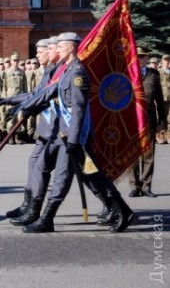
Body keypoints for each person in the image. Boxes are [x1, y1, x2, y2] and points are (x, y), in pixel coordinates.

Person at [10, 32, 137, 233]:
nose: (56, 49)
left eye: (60, 46)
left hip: (73, 137)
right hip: (62, 134)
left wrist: (74, 140)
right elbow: (47, 94)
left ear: (70, 48)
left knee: (68, 176)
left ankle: (47, 219)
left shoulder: (77, 73)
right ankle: (122, 210)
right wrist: (22, 106)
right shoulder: (66, 71)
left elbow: (78, 110)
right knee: (89, 175)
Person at [0, 37, 59, 218]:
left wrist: (20, 107)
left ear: (51, 50)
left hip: (60, 130)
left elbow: (43, 97)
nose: (36, 55)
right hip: (47, 128)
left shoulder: (57, 72)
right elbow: (34, 93)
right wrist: (8, 100)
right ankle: (28, 205)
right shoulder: (48, 71)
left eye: (40, 51)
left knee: (90, 176)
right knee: (34, 163)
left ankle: (116, 206)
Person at [128, 47, 166, 198]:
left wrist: (162, 120)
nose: (140, 59)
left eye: (142, 56)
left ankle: (146, 186)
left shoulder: (153, 74)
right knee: (132, 155)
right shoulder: (127, 73)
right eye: (137, 56)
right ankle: (134, 186)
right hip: (131, 120)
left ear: (146, 58)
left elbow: (159, 99)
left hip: (148, 119)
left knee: (148, 154)